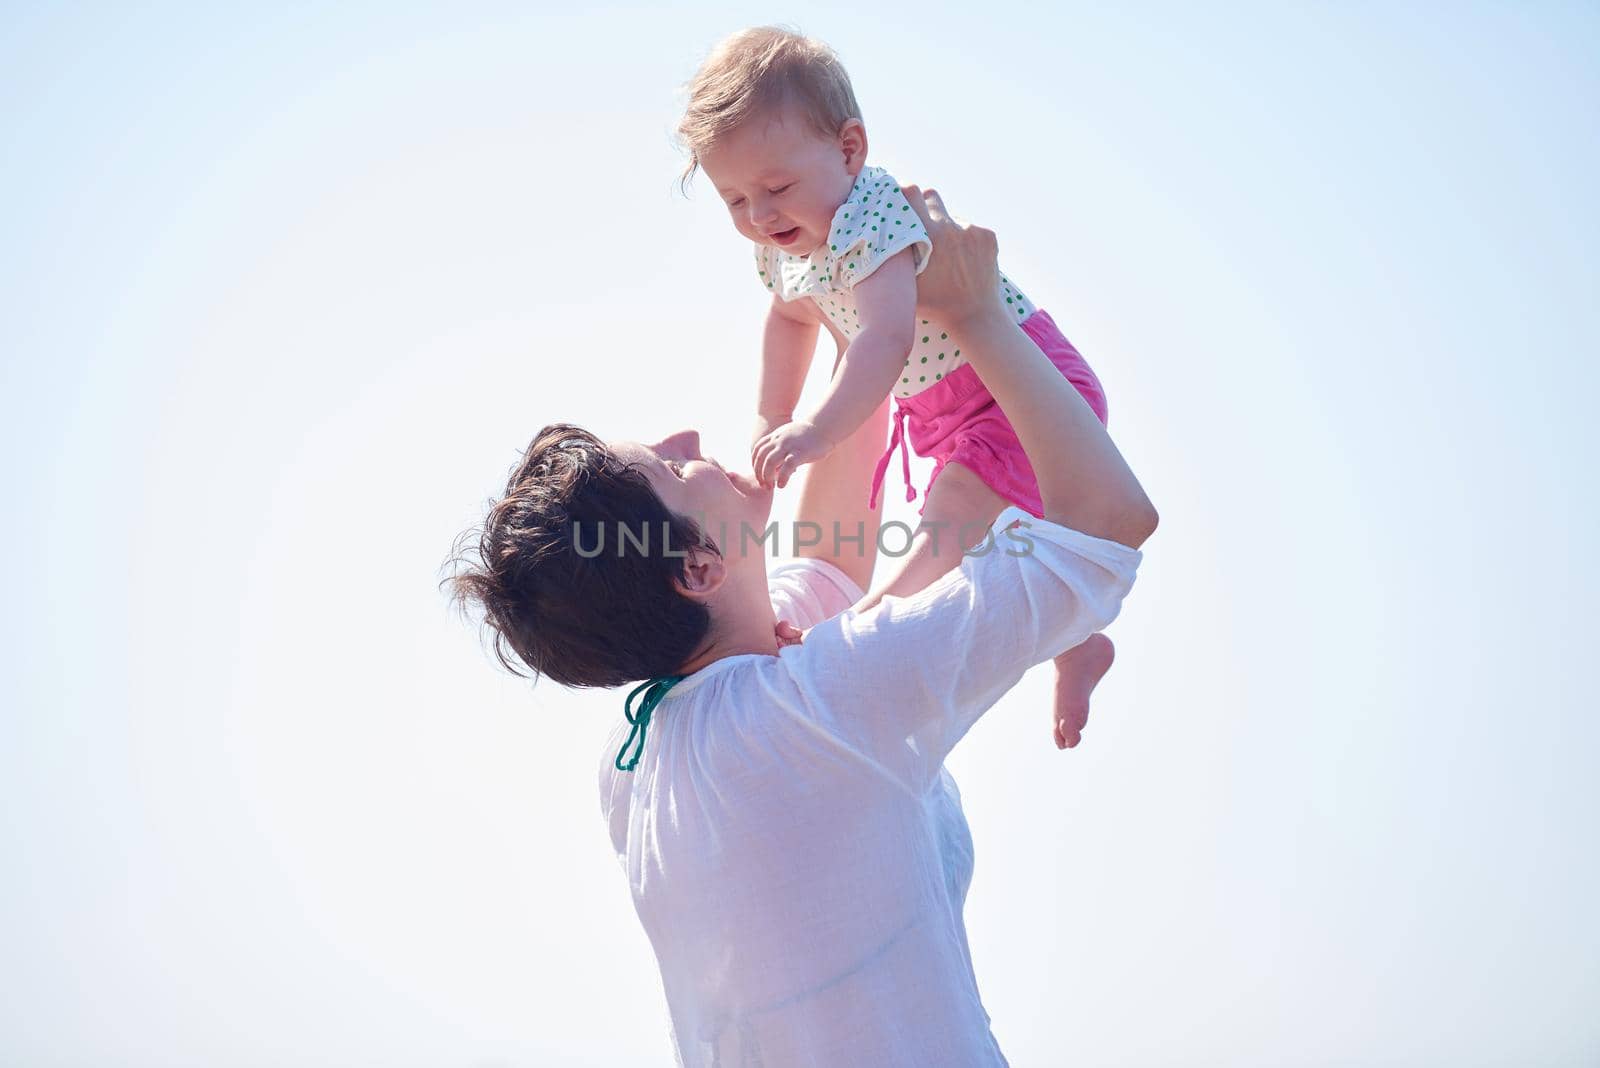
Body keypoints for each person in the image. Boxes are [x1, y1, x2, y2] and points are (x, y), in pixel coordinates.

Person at [447, 188, 1157, 1066]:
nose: (688, 435)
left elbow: (828, 564)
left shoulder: (650, 753)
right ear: (698, 570)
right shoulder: (810, 706)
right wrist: (978, 318)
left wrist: (846, 279)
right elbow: (1110, 525)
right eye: (671, 467)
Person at [678, 26, 1123, 749]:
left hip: (1011, 387)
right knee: (993, 551)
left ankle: (853, 638)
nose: (759, 216)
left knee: (941, 538)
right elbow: (790, 320)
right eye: (735, 200)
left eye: (776, 188)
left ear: (849, 150)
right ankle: (1076, 641)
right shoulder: (782, 246)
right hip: (946, 409)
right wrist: (771, 414)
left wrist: (817, 433)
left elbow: (881, 338)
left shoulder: (873, 213)